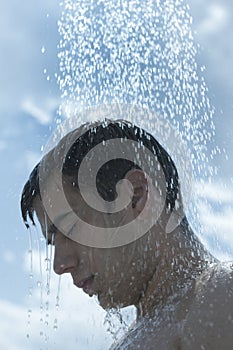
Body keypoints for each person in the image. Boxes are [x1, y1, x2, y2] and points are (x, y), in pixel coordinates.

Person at [21, 118, 233, 349]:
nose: (59, 265)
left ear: (135, 195)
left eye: (71, 228)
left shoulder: (220, 296)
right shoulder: (156, 327)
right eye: (53, 243)